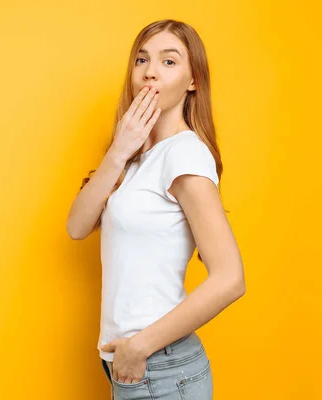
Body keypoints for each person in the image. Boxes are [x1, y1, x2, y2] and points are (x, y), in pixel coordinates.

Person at [66, 19, 246, 400]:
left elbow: (230, 278)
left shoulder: (183, 153)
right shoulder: (133, 156)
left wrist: (140, 346)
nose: (150, 71)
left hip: (160, 367)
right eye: (142, 60)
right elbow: (77, 226)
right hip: (131, 365)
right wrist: (119, 151)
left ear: (192, 80)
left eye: (169, 61)